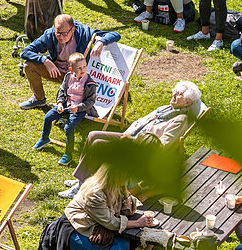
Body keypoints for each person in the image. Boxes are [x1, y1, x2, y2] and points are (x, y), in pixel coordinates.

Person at [59, 82, 201, 199]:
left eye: (179, 94)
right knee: (92, 135)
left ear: (187, 102)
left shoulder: (180, 120)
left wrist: (134, 141)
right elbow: (141, 122)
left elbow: (163, 145)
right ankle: (82, 179)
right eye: (175, 91)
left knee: (97, 144)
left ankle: (81, 186)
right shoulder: (165, 109)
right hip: (129, 137)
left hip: (140, 148)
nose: (174, 94)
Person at [19, 13, 120, 109]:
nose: (61, 37)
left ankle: (71, 102)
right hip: (56, 70)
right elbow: (25, 52)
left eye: (64, 33)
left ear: (73, 29)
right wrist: (45, 60)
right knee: (29, 66)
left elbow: (115, 34)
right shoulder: (49, 34)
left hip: (77, 75)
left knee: (66, 103)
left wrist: (101, 41)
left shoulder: (84, 33)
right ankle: (39, 99)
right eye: (58, 32)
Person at [33, 53, 97, 165]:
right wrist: (60, 103)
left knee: (68, 128)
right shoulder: (68, 77)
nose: (82, 70)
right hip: (66, 104)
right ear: (71, 69)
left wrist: (78, 107)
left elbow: (90, 102)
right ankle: (44, 138)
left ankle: (68, 154)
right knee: (48, 117)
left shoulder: (90, 83)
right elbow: (62, 92)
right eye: (79, 68)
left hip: (80, 109)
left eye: (84, 66)